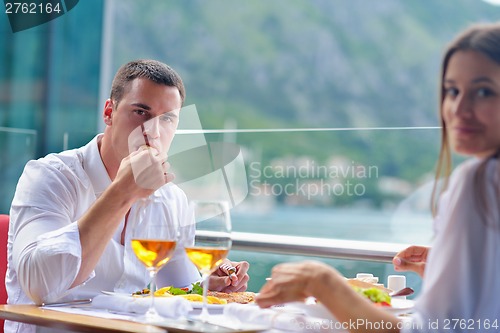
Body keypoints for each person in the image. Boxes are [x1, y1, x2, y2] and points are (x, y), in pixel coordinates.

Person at [256, 22, 500, 332]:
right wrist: (451, 270)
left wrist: (323, 282)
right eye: (452, 90)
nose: (458, 108)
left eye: (483, 92)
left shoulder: (480, 181)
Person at [6, 59, 249, 333]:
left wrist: (208, 282)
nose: (153, 132)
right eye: (141, 112)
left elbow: (177, 289)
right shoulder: (50, 177)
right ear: (109, 112)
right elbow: (39, 286)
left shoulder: (172, 199)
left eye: (167, 119)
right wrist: (123, 192)